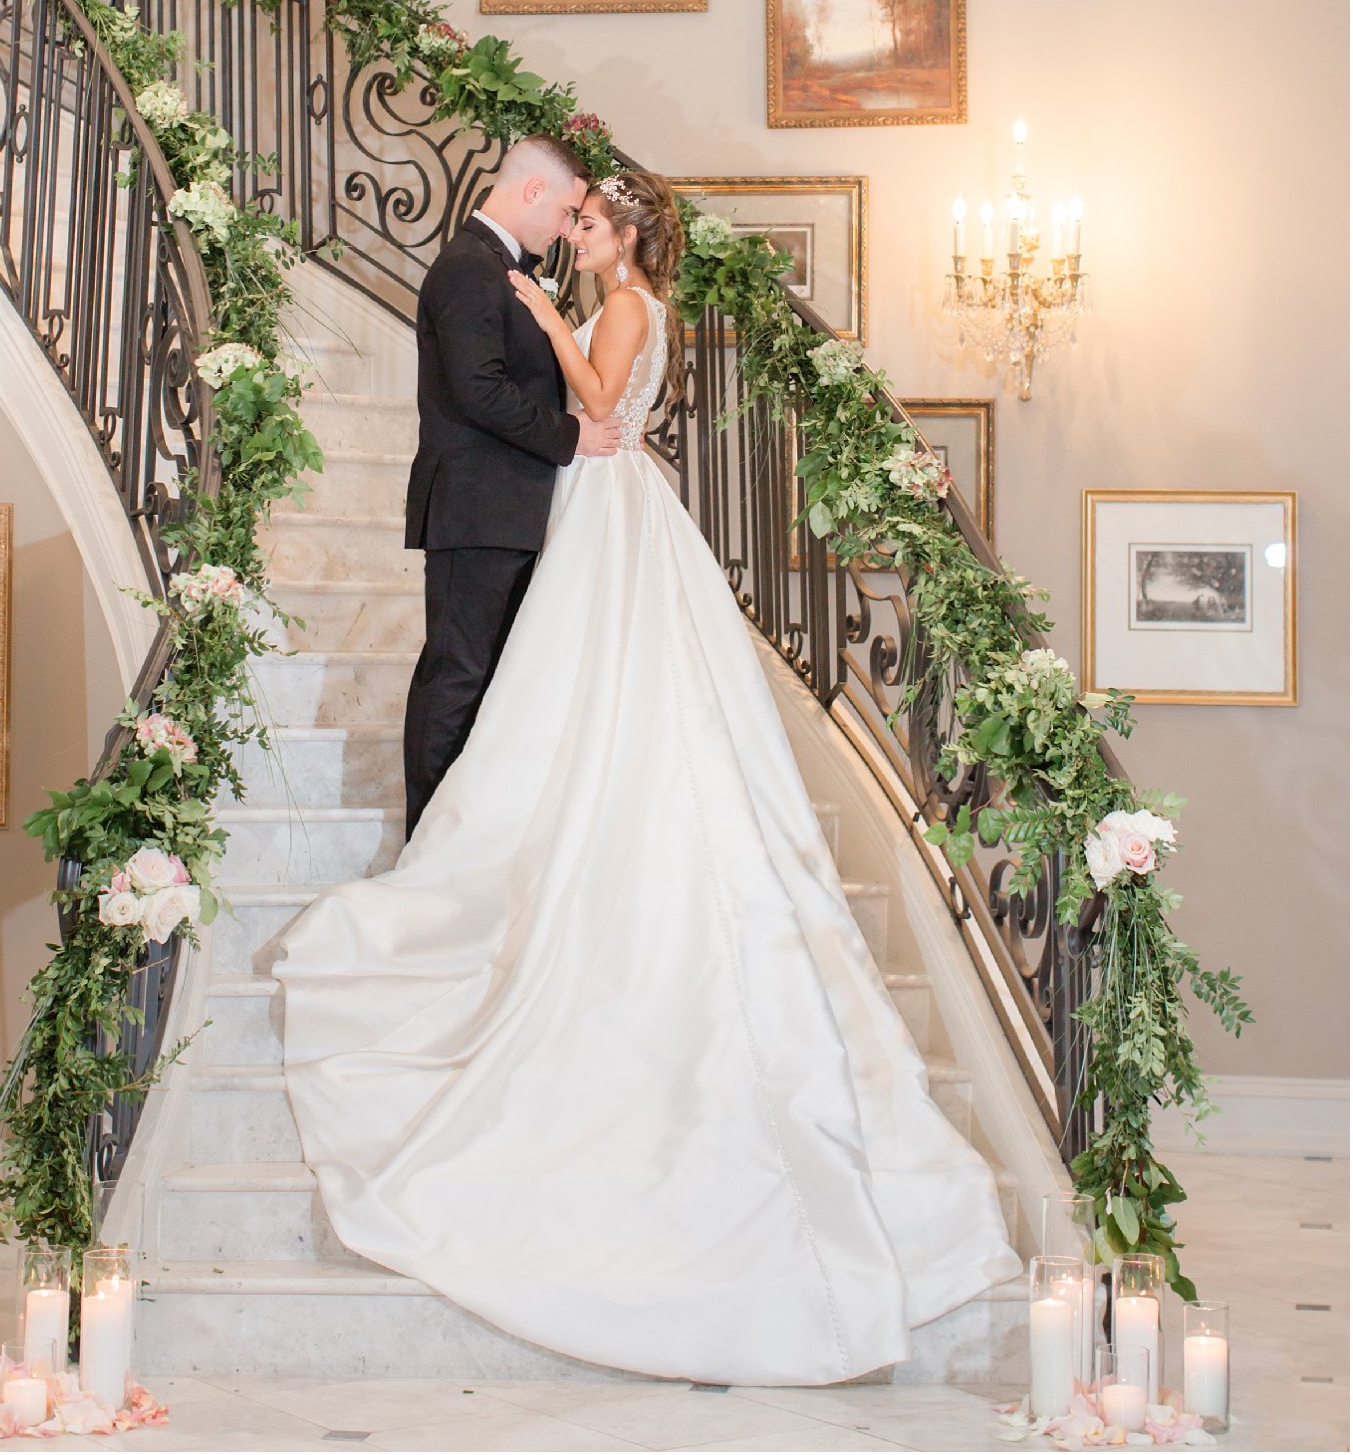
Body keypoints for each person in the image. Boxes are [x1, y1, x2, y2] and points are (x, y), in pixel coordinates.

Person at [277, 163, 1020, 1387]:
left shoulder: (620, 303)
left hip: (608, 488)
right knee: (554, 682)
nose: (571, 232)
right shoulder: (555, 285)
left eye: (585, 220)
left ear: (620, 234)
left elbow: (603, 397)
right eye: (566, 216)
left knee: (593, 683)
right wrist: (554, 331)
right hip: (596, 499)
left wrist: (557, 329)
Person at [401, 133, 619, 837]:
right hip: (476, 509)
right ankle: (426, 841)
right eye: (564, 212)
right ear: (531, 191)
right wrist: (570, 435)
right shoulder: (468, 267)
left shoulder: (502, 267)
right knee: (457, 677)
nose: (565, 230)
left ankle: (460, 841)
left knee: (490, 682)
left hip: (508, 510)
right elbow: (478, 390)